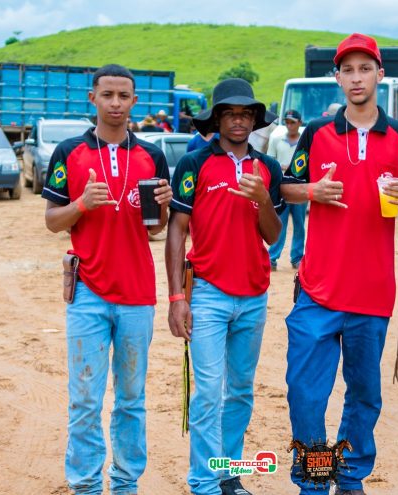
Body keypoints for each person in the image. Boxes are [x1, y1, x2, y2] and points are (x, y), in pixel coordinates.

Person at [281, 33, 398, 495]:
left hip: (373, 291)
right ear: (337, 77)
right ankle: (317, 479)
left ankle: (351, 476)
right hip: (318, 289)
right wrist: (312, 192)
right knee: (306, 395)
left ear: (380, 75)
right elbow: (287, 186)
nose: (356, 77)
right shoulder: (316, 132)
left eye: (365, 69)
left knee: (364, 395)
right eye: (348, 70)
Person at [41, 64, 172, 495]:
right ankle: (85, 486)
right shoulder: (69, 152)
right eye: (107, 95)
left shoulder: (152, 155)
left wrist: (165, 208)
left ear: (135, 101)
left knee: (131, 400)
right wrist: (81, 203)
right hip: (88, 295)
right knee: (85, 400)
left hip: (137, 293)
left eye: (124, 96)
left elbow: (156, 228)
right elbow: (53, 222)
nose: (115, 103)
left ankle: (125, 483)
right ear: (92, 99)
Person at [165, 77, 282, 495]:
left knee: (240, 393)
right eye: (230, 113)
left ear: (254, 120)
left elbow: (273, 235)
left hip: (254, 295)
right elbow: (177, 231)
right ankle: (202, 482)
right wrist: (177, 296)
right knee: (208, 392)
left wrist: (264, 199)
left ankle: (227, 472)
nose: (238, 120)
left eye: (246, 113)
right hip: (209, 293)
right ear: (217, 118)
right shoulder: (194, 163)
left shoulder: (267, 167)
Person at [268, 109, 306, 270]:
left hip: (300, 187)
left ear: (299, 123)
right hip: (281, 187)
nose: (289, 125)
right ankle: (272, 257)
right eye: (287, 122)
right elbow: (269, 162)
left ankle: (297, 257)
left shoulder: (305, 141)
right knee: (279, 223)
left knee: (299, 224)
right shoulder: (277, 140)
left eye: (292, 122)